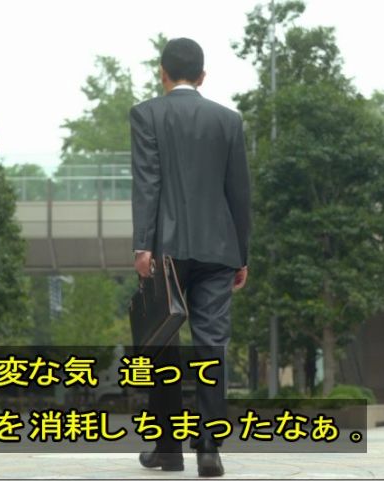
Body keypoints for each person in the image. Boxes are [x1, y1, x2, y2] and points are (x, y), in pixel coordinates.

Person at [130, 37, 251, 478]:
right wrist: (242, 254)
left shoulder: (146, 114)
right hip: (219, 250)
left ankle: (168, 449)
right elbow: (239, 192)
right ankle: (209, 451)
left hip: (165, 250)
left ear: (162, 72)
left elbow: (148, 182)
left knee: (162, 343)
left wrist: (143, 245)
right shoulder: (228, 120)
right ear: (202, 76)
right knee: (211, 344)